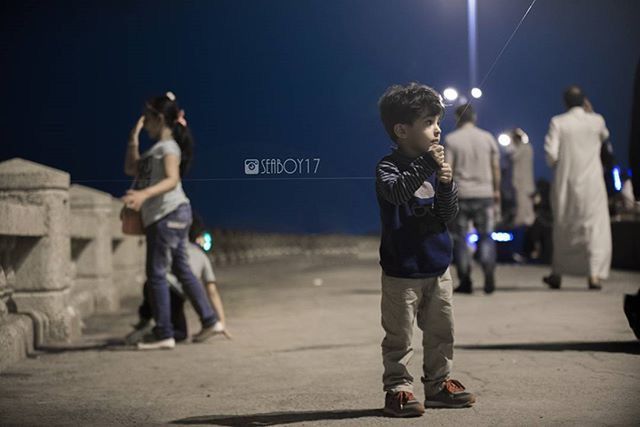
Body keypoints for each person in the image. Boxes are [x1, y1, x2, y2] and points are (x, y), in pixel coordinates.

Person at [376, 83, 475, 418]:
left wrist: (446, 184)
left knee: (441, 332)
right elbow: (397, 195)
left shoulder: (434, 168)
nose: (438, 129)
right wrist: (426, 166)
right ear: (402, 130)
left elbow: (447, 216)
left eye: (438, 122)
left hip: (437, 267)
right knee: (399, 337)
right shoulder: (388, 167)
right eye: (429, 122)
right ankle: (398, 388)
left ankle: (438, 384)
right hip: (401, 272)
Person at [122, 91, 225, 350]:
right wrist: (133, 138)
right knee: (181, 269)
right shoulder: (156, 149)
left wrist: (144, 194)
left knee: (155, 273)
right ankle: (210, 321)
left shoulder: (168, 148)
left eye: (147, 117)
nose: (144, 122)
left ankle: (165, 333)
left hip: (167, 215)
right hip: (175, 214)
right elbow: (131, 169)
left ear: (158, 118)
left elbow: (172, 179)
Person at [543, 85, 612, 290]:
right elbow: (605, 136)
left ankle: (557, 273)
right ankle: (594, 275)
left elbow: (551, 155)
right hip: (593, 183)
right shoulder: (597, 120)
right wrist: (590, 113)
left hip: (567, 183)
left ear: (565, 103)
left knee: (564, 227)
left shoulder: (558, 122)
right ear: (584, 101)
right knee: (595, 229)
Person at [125, 215, 231, 344]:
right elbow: (212, 292)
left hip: (154, 288)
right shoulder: (202, 256)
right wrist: (221, 322)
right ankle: (153, 332)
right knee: (180, 333)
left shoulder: (172, 246)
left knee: (153, 289)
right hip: (176, 296)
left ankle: (145, 322)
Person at [445, 104, 501, 294]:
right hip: (485, 193)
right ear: (474, 117)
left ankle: (466, 281)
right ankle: (488, 270)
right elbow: (495, 168)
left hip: (461, 195)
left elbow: (448, 170)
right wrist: (496, 190)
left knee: (460, 239)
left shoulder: (452, 140)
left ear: (457, 118)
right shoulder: (487, 138)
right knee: (486, 236)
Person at [510, 128, 535, 227]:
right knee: (521, 202)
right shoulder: (525, 148)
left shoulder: (524, 148)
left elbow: (513, 157)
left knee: (524, 202)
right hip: (521, 181)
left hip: (524, 181)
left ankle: (526, 222)